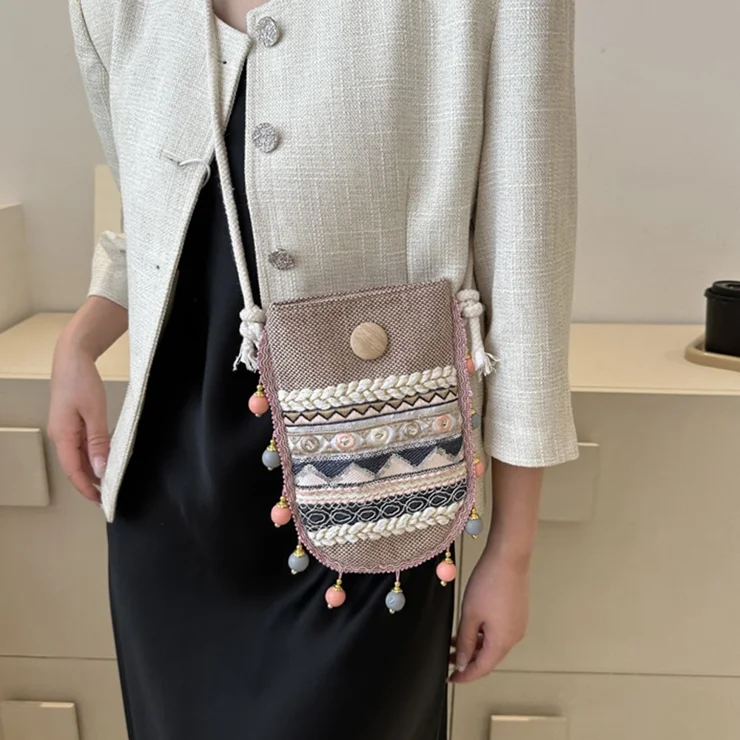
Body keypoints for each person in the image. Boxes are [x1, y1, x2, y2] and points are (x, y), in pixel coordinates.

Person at [49, 0, 579, 738]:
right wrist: (79, 342)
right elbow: (152, 213)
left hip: (376, 495)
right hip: (170, 501)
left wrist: (511, 552)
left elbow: (528, 266)